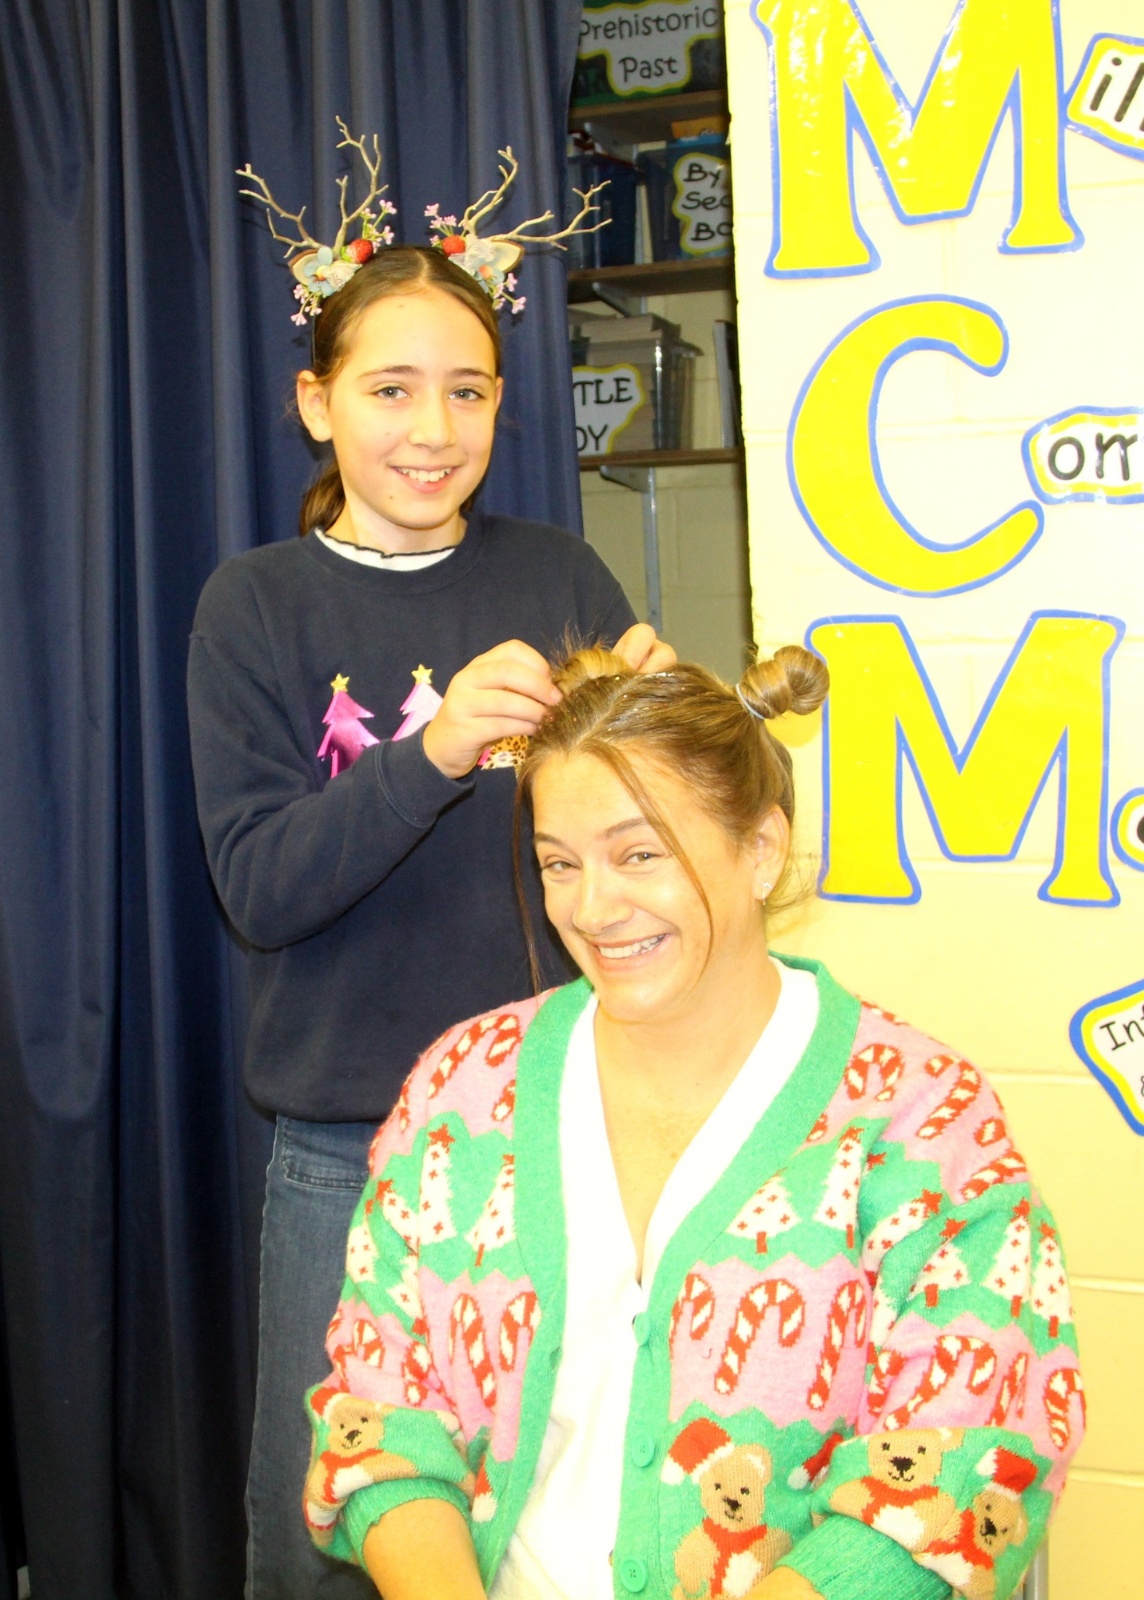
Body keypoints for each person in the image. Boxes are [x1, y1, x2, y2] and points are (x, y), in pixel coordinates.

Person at [304, 645, 1084, 1600]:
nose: (594, 908)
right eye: (558, 864)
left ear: (760, 849)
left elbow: (962, 1459)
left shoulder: (921, 1120)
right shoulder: (462, 1092)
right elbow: (383, 1407)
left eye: (641, 854)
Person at [188, 152, 673, 1598]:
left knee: (540, 1509)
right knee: (325, 1531)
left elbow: (639, 858)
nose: (433, 428)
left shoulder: (561, 574)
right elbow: (261, 886)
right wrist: (438, 746)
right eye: (391, 389)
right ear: (317, 403)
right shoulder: (255, 606)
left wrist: (663, 738)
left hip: (560, 1128)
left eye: (469, 391)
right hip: (348, 1146)